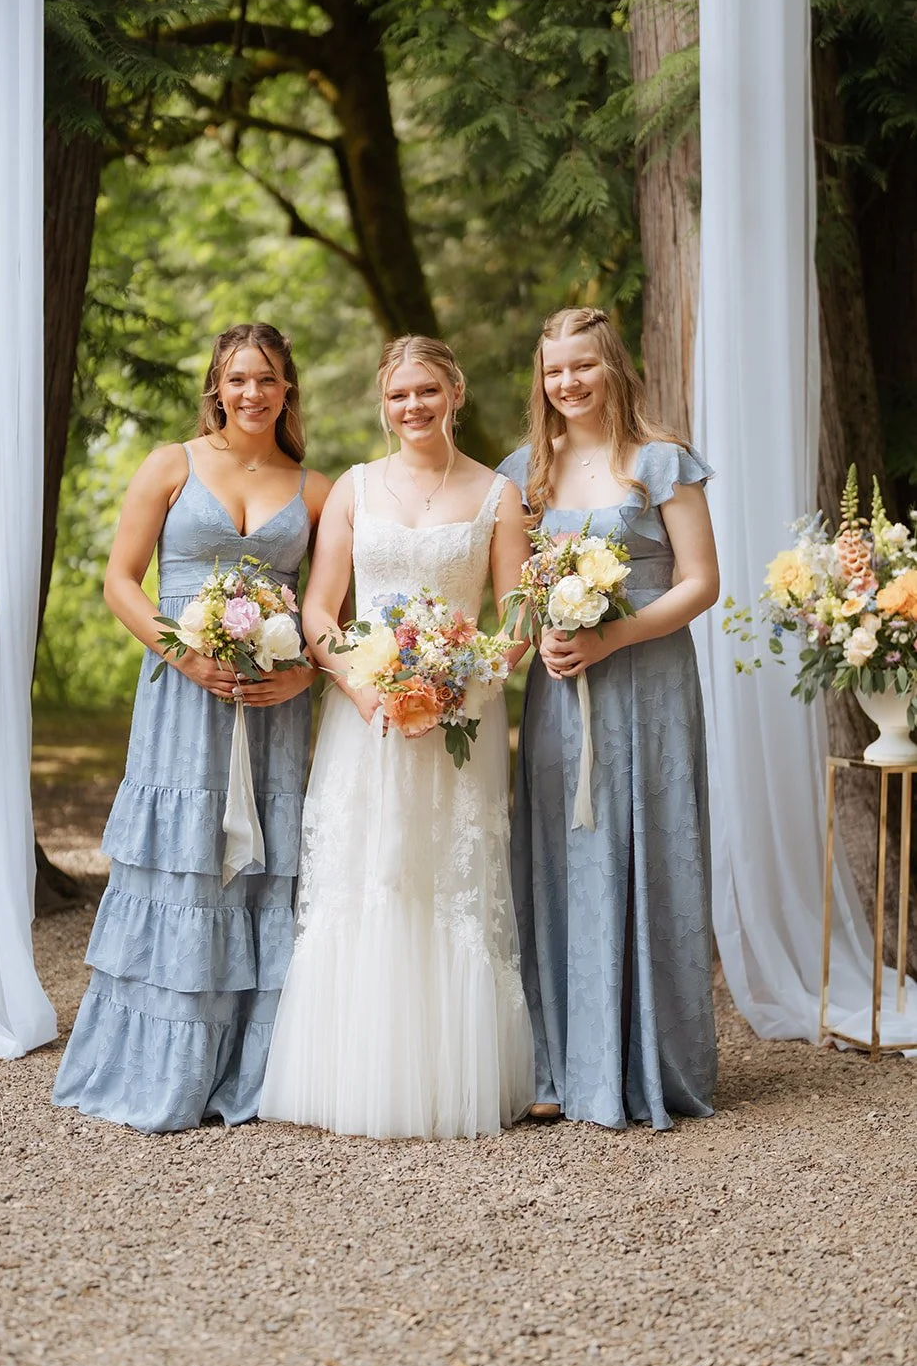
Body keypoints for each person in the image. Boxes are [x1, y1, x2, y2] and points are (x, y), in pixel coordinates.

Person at [53, 324, 329, 1131]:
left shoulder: (312, 488)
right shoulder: (171, 465)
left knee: (260, 865)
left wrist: (300, 673)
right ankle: (161, 1068)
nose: (251, 393)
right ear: (217, 385)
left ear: (287, 390)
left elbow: (328, 613)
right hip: (181, 692)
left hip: (271, 701)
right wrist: (184, 653)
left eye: (267, 379)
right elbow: (119, 580)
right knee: (185, 859)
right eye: (237, 379)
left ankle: (254, 1069)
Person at [259, 336, 535, 1140]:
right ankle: (353, 1074)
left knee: (447, 878)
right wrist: (360, 682)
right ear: (384, 404)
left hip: (459, 715)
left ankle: (451, 1077)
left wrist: (460, 684)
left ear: (453, 392)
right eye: (397, 396)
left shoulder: (497, 493)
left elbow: (515, 615)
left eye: (425, 391)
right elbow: (320, 609)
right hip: (365, 714)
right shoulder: (353, 488)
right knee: (367, 871)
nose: (411, 407)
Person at [499, 306, 719, 1131]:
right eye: (554, 371)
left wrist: (614, 634)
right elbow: (515, 590)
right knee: (562, 854)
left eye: (581, 367)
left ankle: (646, 1060)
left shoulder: (660, 461)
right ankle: (561, 1063)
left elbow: (701, 581)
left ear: (611, 367)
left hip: (649, 684)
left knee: (648, 848)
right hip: (562, 691)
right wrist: (536, 643)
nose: (568, 384)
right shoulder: (525, 471)